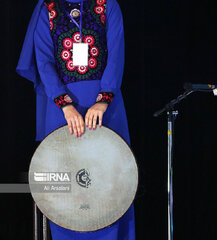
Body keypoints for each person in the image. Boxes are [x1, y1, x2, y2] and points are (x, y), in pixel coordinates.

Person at [16, 0, 135, 239]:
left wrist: (104, 99)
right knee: (64, 186)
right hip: (61, 108)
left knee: (110, 180)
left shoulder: (107, 4)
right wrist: (64, 103)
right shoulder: (47, 8)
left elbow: (116, 51)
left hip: (104, 107)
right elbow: (44, 61)